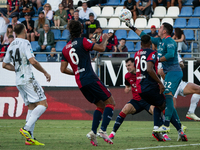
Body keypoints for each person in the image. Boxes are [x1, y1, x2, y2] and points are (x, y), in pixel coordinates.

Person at [125, 21, 188, 141]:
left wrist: (156, 59)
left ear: (164, 31)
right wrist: (131, 27)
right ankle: (180, 131)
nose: (158, 29)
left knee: (168, 96)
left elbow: (170, 55)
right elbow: (144, 35)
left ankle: (166, 125)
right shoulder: (159, 41)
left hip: (174, 72)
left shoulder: (170, 41)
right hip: (168, 73)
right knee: (164, 98)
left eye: (160, 27)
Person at [60, 20, 115, 146]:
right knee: (111, 102)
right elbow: (101, 48)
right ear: (81, 31)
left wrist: (76, 72)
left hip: (81, 82)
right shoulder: (83, 41)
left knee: (100, 105)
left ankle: (93, 132)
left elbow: (62, 69)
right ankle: (103, 130)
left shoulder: (65, 48)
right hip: (90, 78)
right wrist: (105, 39)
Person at [2, 23, 51, 146]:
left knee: (31, 106)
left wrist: (17, 69)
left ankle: (30, 138)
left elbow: (4, 64)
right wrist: (45, 72)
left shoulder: (11, 45)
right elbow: (32, 60)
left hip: (19, 81)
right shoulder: (25, 43)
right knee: (43, 104)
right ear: (24, 31)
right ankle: (26, 128)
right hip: (28, 79)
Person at [108, 58, 154, 139]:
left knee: (156, 112)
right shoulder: (127, 76)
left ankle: (163, 133)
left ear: (135, 64)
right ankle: (113, 133)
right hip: (136, 101)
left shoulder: (143, 73)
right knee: (124, 109)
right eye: (126, 66)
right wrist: (127, 88)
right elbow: (127, 85)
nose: (127, 67)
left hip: (148, 100)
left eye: (129, 65)